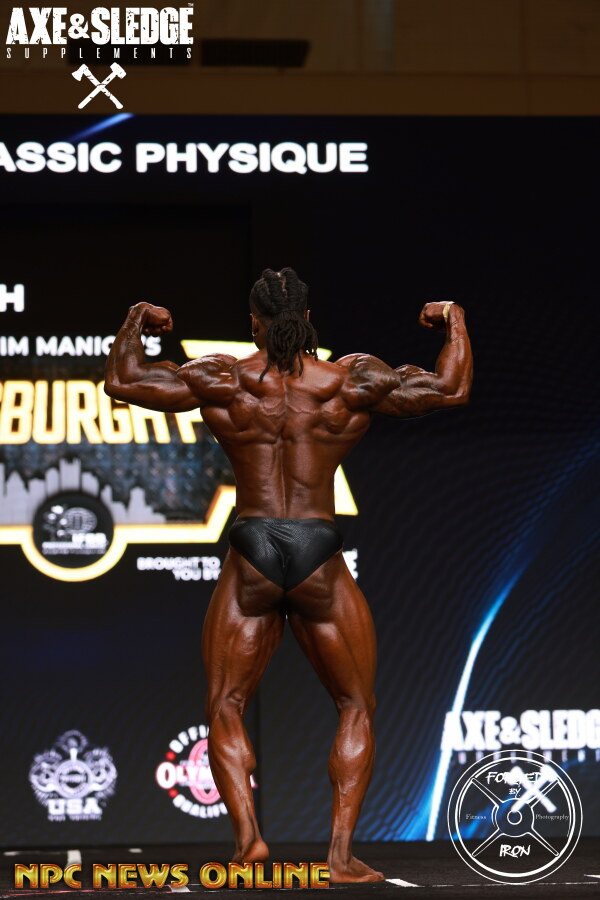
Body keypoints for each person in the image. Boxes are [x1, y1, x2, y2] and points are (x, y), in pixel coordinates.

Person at [104, 268, 473, 883]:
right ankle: (340, 857)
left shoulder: (224, 378)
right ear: (307, 319)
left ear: (254, 324)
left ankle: (248, 842)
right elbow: (450, 388)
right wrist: (454, 320)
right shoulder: (350, 381)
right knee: (355, 703)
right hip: (316, 548)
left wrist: (137, 318)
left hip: (252, 546)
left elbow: (123, 380)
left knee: (226, 702)